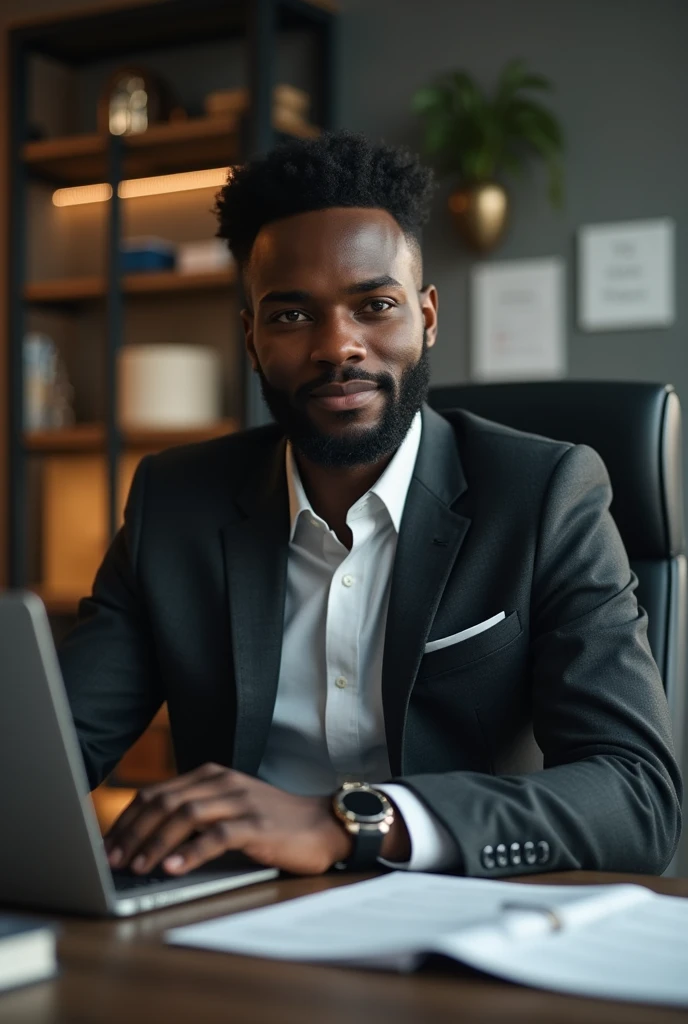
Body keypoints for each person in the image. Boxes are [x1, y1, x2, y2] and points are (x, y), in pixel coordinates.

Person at [59, 131, 681, 880]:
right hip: (233, 915)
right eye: (292, 316)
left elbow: (638, 796)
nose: (338, 346)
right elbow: (55, 748)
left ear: (426, 318)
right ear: (251, 340)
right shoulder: (174, 505)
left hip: (459, 914)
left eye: (374, 305)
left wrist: (353, 824)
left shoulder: (546, 495)